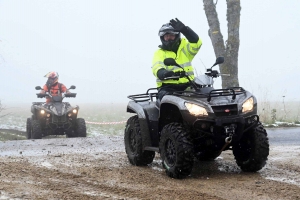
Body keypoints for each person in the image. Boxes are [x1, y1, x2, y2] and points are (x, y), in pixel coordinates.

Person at [151, 18, 202, 101]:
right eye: (166, 36)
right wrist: (164, 73)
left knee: (206, 96)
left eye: (171, 35)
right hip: (168, 88)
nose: (169, 38)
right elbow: (157, 67)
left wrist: (185, 30)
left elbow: (197, 43)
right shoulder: (159, 53)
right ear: (162, 38)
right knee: (169, 104)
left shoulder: (185, 48)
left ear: (177, 36)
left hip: (188, 85)